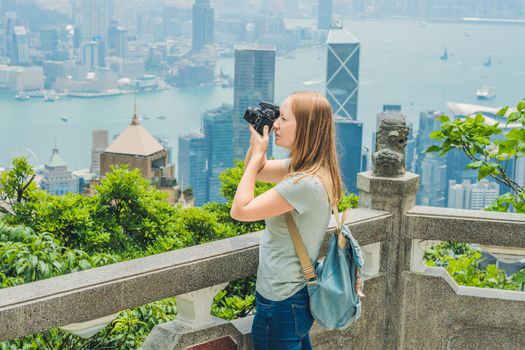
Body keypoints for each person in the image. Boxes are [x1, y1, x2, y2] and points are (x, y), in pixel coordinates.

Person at [230, 91, 343, 350]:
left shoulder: (304, 183)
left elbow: (240, 210)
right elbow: (256, 171)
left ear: (305, 128)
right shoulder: (309, 170)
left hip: (280, 302)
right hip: (294, 297)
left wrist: (259, 154)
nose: (277, 124)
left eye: (284, 118)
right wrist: (257, 146)